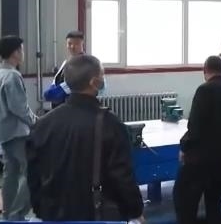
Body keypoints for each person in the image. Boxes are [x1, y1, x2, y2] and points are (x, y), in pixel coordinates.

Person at [27, 54, 144, 222]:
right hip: (95, 213)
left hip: (52, 213)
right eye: (102, 75)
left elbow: (33, 176)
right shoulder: (110, 124)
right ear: (94, 82)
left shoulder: (42, 124)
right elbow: (122, 176)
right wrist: (135, 210)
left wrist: (40, 209)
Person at [173, 56, 221, 224]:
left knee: (184, 199)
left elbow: (195, 125)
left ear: (204, 71)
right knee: (214, 202)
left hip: (201, 159)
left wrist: (184, 147)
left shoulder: (204, 90)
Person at [0, 35, 35, 220]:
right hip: (16, 134)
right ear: (15, 52)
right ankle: (17, 214)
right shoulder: (12, 76)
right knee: (32, 172)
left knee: (10, 174)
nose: (23, 53)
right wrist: (37, 123)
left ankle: (7, 215)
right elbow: (20, 108)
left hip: (1, 134)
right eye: (22, 49)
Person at [42, 30, 86, 105]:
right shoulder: (66, 62)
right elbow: (56, 80)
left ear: (82, 44)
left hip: (75, 105)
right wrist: (52, 91)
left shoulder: (86, 63)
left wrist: (52, 94)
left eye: (76, 44)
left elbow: (73, 85)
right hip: (61, 104)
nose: (72, 47)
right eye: (69, 44)